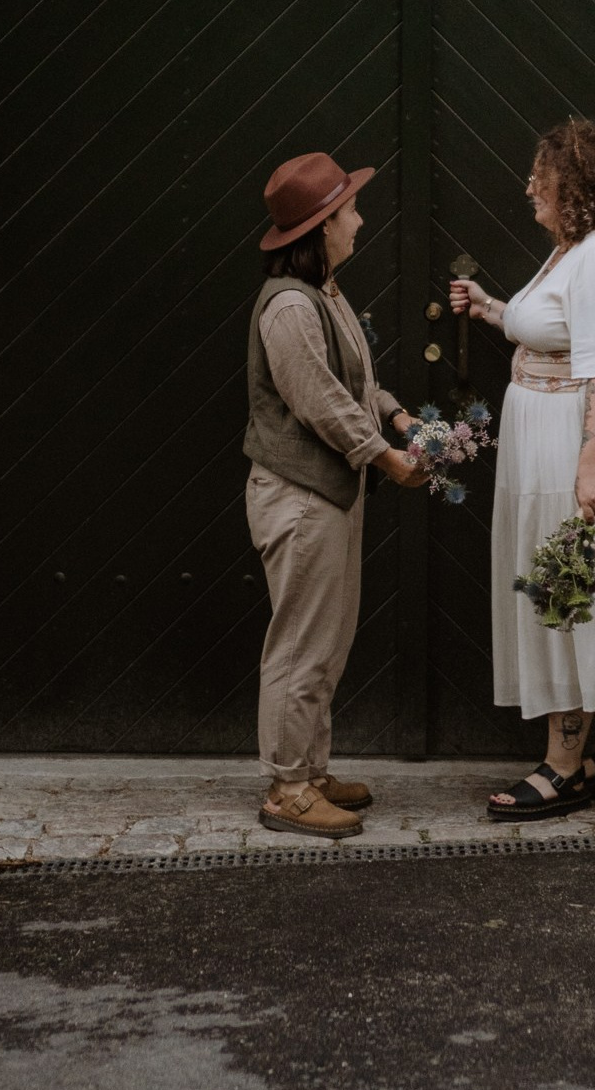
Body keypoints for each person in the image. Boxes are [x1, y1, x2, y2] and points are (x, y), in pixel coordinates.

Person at [451, 117, 595, 820]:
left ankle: (565, 766)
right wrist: (493, 309)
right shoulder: (569, 254)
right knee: (588, 585)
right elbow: (551, 330)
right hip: (547, 440)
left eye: (542, 179)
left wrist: (591, 468)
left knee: (574, 588)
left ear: (575, 189)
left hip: (577, 448)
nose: (529, 187)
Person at [245, 150, 424, 838]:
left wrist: (398, 415)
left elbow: (353, 381)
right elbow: (319, 399)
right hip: (299, 496)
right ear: (321, 227)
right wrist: (384, 457)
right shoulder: (291, 306)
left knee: (328, 641)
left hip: (329, 495)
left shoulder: (326, 295)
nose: (359, 218)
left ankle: (311, 769)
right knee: (300, 644)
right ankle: (287, 789)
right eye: (349, 209)